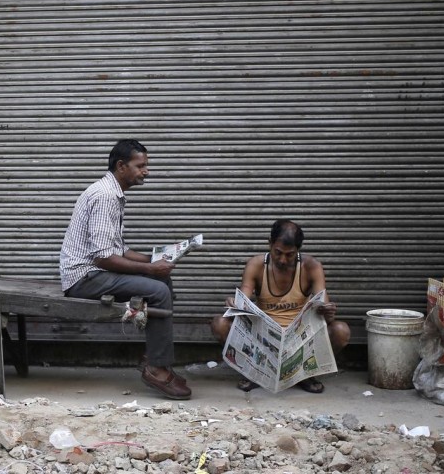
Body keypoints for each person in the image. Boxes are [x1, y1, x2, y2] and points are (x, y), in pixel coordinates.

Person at [60, 139, 191, 400]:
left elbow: (118, 250)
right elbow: (103, 258)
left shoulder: (113, 193)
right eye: (140, 166)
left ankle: (155, 356)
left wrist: (154, 260)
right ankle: (156, 368)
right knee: (158, 290)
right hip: (84, 277)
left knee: (163, 282)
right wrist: (150, 270)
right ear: (121, 166)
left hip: (95, 271)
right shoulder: (106, 196)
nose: (146, 171)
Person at [210, 219, 351, 393]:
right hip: (263, 342)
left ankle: (305, 374)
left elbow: (326, 313)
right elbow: (244, 296)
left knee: (341, 331)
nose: (283, 260)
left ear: (298, 250)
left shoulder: (311, 267)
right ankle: (254, 371)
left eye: (289, 254)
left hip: (298, 342)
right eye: (278, 252)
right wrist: (235, 303)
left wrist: (327, 311)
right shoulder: (256, 265)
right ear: (269, 244)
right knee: (220, 324)